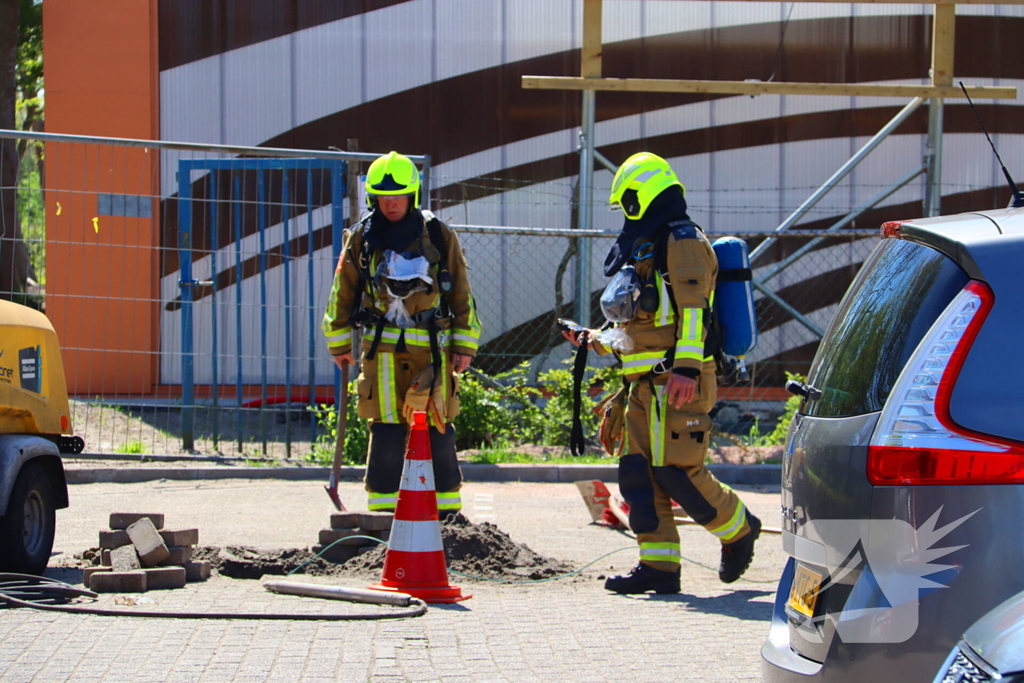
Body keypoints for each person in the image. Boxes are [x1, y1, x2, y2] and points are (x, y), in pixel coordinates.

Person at [565, 152, 760, 593]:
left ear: (646, 193)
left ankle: (740, 530)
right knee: (639, 475)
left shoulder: (683, 241)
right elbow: (638, 330)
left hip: (679, 383)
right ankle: (659, 568)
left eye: (629, 200)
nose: (627, 211)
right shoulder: (645, 245)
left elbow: (694, 315)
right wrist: (591, 339)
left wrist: (687, 369)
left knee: (677, 472)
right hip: (643, 386)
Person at [323, 151, 482, 515]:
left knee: (438, 427)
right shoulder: (362, 238)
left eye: (398, 195)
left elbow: (461, 291)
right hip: (380, 354)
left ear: (413, 195)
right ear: (372, 198)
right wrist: (338, 343)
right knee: (387, 430)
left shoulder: (439, 235)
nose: (391, 203)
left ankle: (448, 518)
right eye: (383, 196)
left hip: (431, 352)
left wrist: (464, 344)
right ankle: (381, 517)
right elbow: (341, 292)